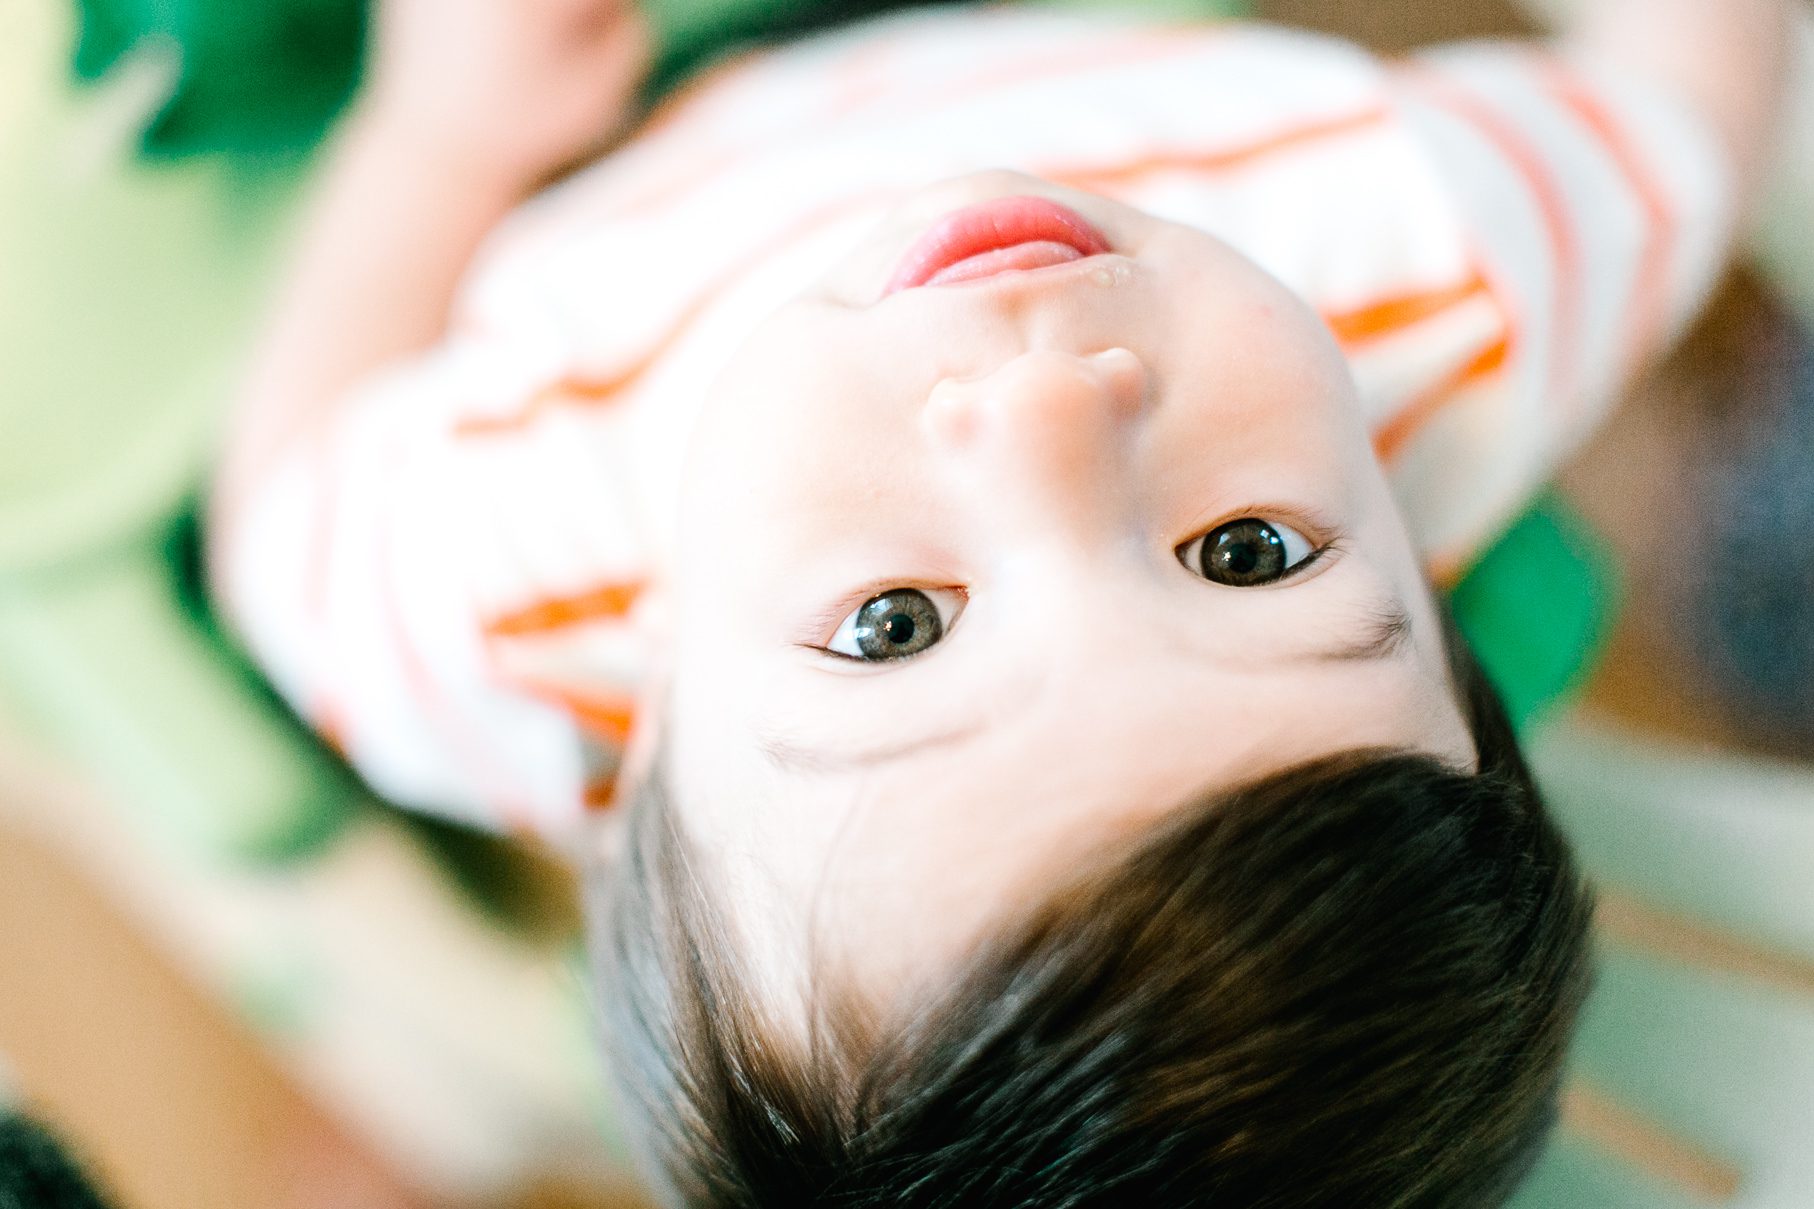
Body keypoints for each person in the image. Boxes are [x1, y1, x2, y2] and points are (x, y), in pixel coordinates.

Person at [207, 0, 1791, 1201]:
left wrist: (436, 141)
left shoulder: (486, 595)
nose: (1047, 414)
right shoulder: (1443, 264)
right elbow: (1680, 127)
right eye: (1249, 552)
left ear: (650, 739)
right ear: (1436, 586)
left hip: (628, 124)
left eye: (896, 623)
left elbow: (279, 497)